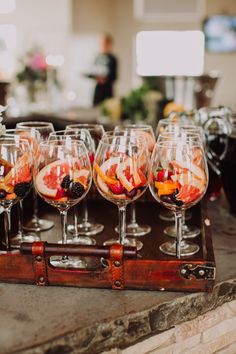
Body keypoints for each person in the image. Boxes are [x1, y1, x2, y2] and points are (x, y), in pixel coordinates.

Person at [87, 34, 118, 106]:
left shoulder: (112, 59)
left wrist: (105, 79)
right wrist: (96, 78)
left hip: (107, 90)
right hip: (98, 90)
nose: (103, 45)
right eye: (102, 43)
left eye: (105, 43)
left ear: (110, 44)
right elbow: (92, 71)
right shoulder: (97, 57)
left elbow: (115, 77)